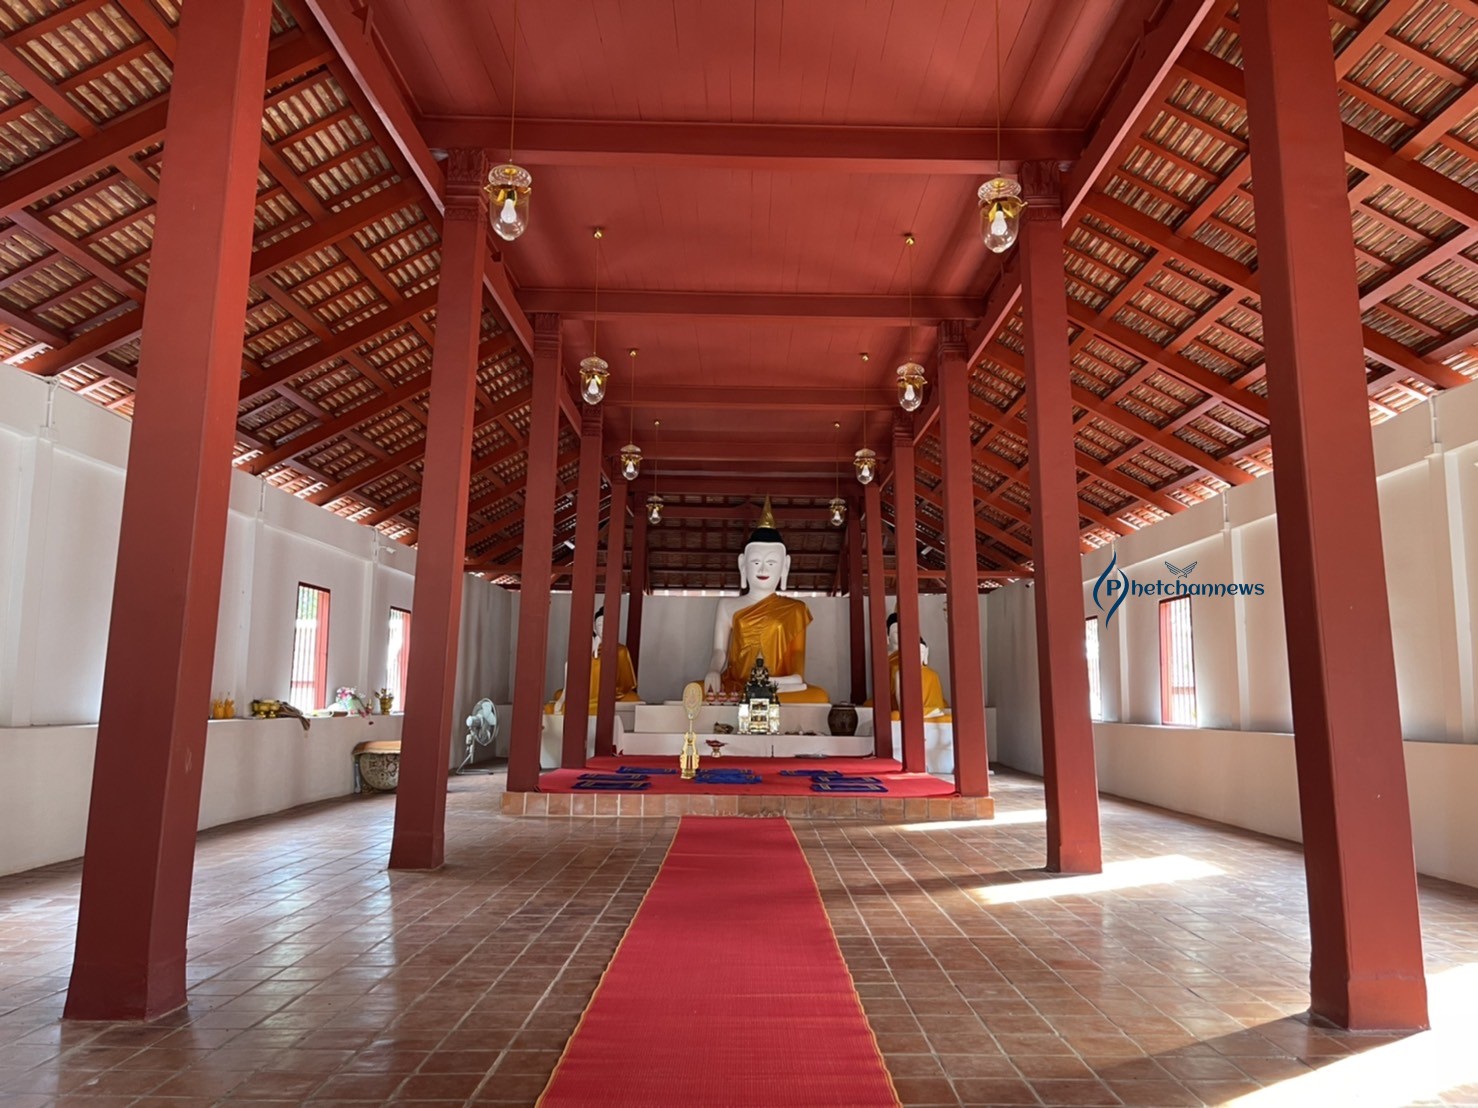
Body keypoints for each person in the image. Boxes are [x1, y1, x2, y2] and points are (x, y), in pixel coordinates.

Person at [702, 497, 829, 704]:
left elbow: (797, 666)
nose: (762, 569)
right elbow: (719, 650)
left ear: (785, 566)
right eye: (755, 562)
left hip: (778, 685)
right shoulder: (727, 605)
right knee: (698, 690)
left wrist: (778, 681)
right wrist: (713, 670)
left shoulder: (796, 609)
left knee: (819, 696)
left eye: (771, 563)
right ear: (743, 564)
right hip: (737, 684)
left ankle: (759, 691)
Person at [548, 607, 640, 714]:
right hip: (587, 690)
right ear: (594, 628)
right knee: (558, 694)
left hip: (613, 693)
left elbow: (625, 683)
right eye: (600, 625)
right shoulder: (588, 648)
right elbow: (576, 675)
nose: (604, 628)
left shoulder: (621, 650)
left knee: (633, 698)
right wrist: (593, 651)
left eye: (608, 625)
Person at [880, 612, 950, 720]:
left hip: (928, 711)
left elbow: (936, 704)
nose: (901, 635)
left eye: (922, 653)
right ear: (887, 635)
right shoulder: (897, 670)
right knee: (894, 715)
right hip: (903, 708)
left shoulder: (932, 675)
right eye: (897, 632)